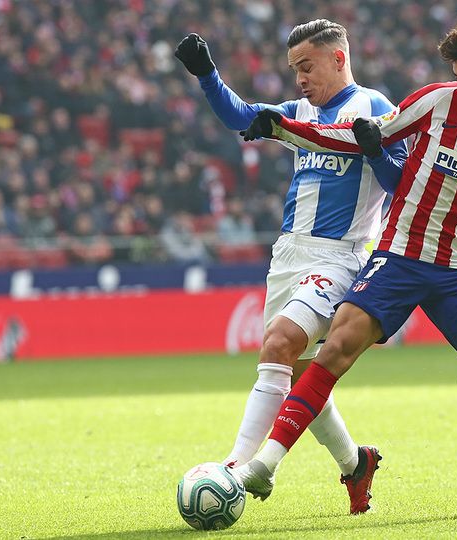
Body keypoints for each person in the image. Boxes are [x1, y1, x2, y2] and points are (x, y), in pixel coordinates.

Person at [235, 16, 457, 516]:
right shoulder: (436, 100)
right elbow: (361, 137)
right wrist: (283, 126)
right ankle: (264, 465)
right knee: (335, 348)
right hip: (398, 256)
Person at [174, 19, 408, 514]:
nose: (299, 78)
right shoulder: (297, 113)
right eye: (293, 69)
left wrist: (372, 148)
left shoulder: (376, 107)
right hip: (288, 256)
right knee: (299, 374)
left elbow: (402, 182)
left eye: (307, 66)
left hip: (341, 254)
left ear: (338, 58)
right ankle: (355, 463)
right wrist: (206, 75)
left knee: (278, 342)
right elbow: (243, 116)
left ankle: (237, 467)